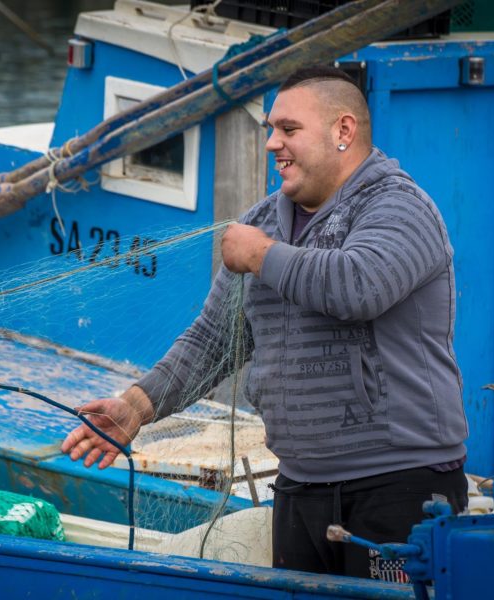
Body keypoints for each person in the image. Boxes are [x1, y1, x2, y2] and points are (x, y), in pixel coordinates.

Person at [61, 66, 469, 580]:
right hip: (300, 488)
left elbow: (358, 287)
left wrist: (261, 256)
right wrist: (137, 407)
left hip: (398, 486)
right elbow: (212, 341)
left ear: (343, 131)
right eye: (270, 130)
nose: (273, 144)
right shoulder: (264, 222)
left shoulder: (399, 207)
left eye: (289, 130)